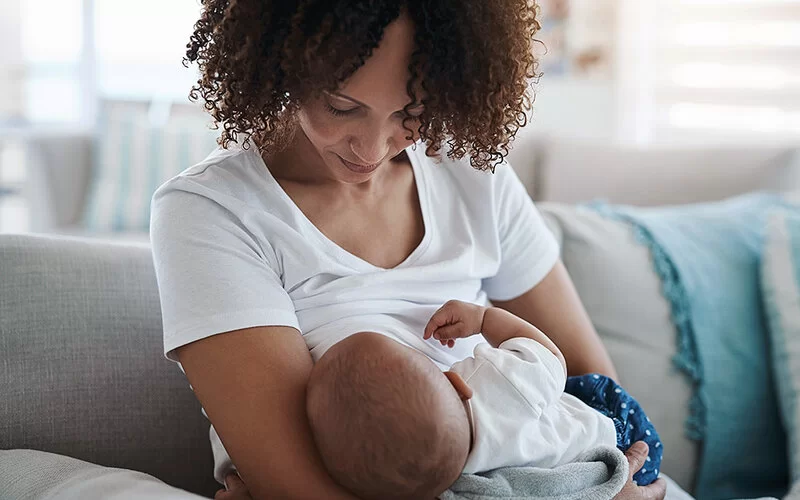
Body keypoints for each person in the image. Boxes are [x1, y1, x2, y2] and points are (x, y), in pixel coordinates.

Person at [150, 2, 674, 499]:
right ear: (281, 64)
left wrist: (597, 483)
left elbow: (596, 389)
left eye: (411, 111)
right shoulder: (211, 210)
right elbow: (298, 487)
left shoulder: (473, 175)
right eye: (341, 106)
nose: (371, 148)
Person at [304, 301, 663, 500]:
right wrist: (485, 318)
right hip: (617, 433)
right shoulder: (493, 381)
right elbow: (550, 357)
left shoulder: (451, 486)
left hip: (594, 478)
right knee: (580, 387)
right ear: (456, 383)